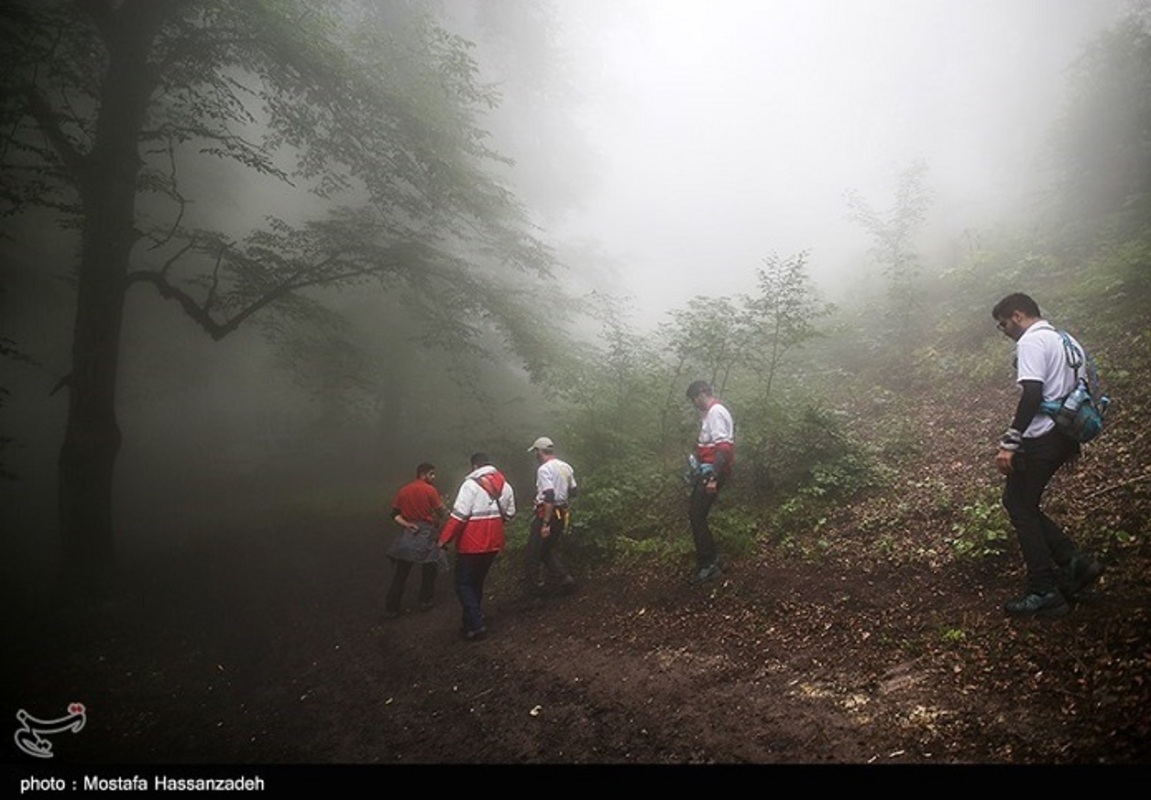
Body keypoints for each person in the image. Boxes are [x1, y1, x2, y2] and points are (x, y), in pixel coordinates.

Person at [992, 292, 1104, 618]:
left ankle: (1044, 590)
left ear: (1017, 314)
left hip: (1042, 436)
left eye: (1003, 325)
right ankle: (1074, 563)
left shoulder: (1031, 342)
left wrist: (1010, 441)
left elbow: (1032, 394)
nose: (1005, 332)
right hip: (1065, 435)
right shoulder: (1066, 341)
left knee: (1018, 504)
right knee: (1022, 503)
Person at [438, 452, 516, 640]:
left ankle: (476, 623)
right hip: (494, 543)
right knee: (476, 582)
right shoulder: (505, 486)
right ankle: (468, 625)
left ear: (474, 467)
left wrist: (444, 539)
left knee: (463, 584)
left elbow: (459, 516)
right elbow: (510, 513)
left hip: (471, 543)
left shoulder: (470, 485)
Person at [685, 380, 735, 583]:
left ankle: (708, 564)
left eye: (694, 399)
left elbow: (723, 448)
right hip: (707, 471)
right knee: (698, 514)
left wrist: (713, 476)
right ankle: (714, 560)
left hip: (713, 473)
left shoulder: (715, 412)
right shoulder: (708, 414)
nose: (694, 403)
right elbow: (709, 445)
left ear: (701, 394)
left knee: (696, 515)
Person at [384, 462, 448, 618]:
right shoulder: (430, 490)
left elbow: (394, 514)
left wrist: (407, 525)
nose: (434, 477)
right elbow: (441, 512)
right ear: (423, 474)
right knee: (430, 566)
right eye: (432, 474)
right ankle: (425, 601)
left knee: (402, 571)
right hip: (426, 533)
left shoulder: (404, 490)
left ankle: (391, 608)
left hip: (409, 533)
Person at [524, 436, 578, 600]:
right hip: (561, 514)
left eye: (536, 452)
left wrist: (545, 523)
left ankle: (534, 595)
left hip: (546, 515)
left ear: (540, 452)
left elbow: (549, 495)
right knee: (546, 549)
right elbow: (574, 490)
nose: (535, 456)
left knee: (532, 554)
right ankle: (564, 577)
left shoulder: (544, 469)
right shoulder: (565, 467)